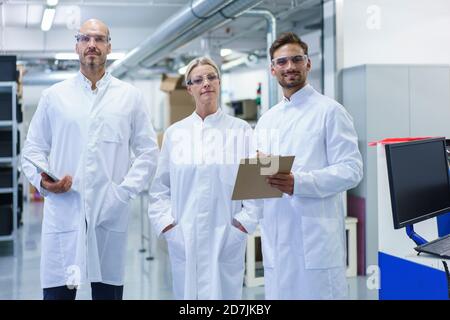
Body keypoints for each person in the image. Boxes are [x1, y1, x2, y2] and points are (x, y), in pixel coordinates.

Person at [21, 19, 159, 300]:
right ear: (76, 46)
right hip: (65, 210)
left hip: (109, 211)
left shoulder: (129, 97)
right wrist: (45, 183)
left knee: (107, 292)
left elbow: (147, 151)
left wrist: (122, 193)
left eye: (99, 39)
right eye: (85, 39)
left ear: (109, 46)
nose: (92, 45)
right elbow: (32, 150)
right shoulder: (54, 96)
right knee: (59, 293)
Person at [255, 32, 363, 299]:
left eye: (296, 59)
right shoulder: (267, 120)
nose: (289, 67)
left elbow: (352, 170)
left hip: (315, 239)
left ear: (308, 64)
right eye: (281, 62)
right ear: (272, 69)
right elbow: (260, 175)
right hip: (277, 238)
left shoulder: (330, 112)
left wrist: (299, 183)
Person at [148, 57, 260, 299]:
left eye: (211, 77)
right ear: (189, 88)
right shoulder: (175, 134)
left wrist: (242, 226)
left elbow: (255, 190)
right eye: (198, 80)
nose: (206, 83)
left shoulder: (242, 130)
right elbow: (159, 190)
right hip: (184, 238)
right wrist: (169, 228)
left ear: (219, 82)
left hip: (226, 236)